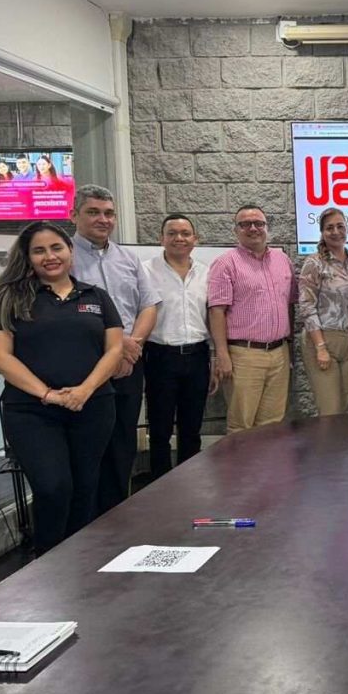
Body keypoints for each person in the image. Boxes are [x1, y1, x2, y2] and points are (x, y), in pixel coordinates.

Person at [0, 222, 123, 552]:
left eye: (56, 248)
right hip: (32, 412)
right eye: (39, 251)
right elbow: (1, 356)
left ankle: (77, 563)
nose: (49, 256)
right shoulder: (8, 298)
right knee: (53, 487)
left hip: (93, 407)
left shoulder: (96, 296)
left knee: (86, 488)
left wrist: (85, 390)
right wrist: (46, 394)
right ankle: (46, 565)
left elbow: (114, 349)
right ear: (28, 258)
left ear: (71, 251)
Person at [70, 184, 160, 514]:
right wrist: (116, 344)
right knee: (89, 444)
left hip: (128, 365)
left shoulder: (128, 259)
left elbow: (149, 306)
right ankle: (84, 522)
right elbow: (66, 311)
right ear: (74, 215)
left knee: (123, 442)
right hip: (86, 366)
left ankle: (115, 516)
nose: (103, 219)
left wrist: (132, 345)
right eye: (93, 212)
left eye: (109, 213)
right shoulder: (63, 256)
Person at [208, 205, 297, 433]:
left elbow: (289, 305)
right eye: (245, 224)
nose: (253, 228)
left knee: (272, 425)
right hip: (243, 356)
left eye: (259, 223)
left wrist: (289, 347)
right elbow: (217, 312)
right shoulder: (225, 263)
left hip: (279, 353)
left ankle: (266, 470)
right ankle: (239, 470)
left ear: (267, 228)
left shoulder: (282, 259)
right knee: (241, 426)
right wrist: (222, 355)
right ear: (236, 230)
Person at [142, 214, 211, 479]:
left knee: (192, 427)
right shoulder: (146, 271)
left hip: (197, 356)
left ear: (195, 239)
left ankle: (188, 482)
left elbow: (212, 315)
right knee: (160, 428)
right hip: (161, 356)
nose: (179, 238)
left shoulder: (206, 272)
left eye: (185, 233)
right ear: (161, 238)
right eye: (172, 233)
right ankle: (159, 482)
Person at [297, 208, 348, 416]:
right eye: (329, 228)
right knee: (330, 410)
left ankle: (340, 449)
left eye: (340, 226)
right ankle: (326, 448)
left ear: (347, 228)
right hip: (323, 341)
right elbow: (306, 306)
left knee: (345, 403)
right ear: (322, 232)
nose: (336, 232)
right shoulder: (314, 263)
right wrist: (321, 346)